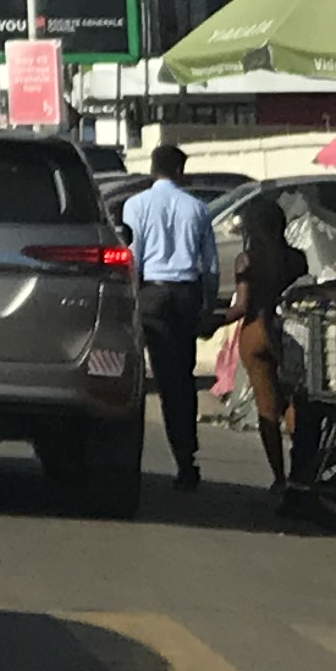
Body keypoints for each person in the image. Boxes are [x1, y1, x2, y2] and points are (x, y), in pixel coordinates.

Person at [119, 142, 218, 490]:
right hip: (186, 294)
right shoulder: (198, 208)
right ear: (179, 171)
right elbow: (210, 265)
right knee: (182, 379)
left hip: (151, 294)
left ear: (153, 169)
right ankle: (186, 457)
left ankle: (146, 457)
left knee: (152, 379)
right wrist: (207, 305)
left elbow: (133, 257)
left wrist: (130, 299)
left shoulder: (135, 205)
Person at [221, 185, 305, 487]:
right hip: (290, 332)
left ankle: (278, 477)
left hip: (256, 331)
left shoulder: (246, 260)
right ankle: (299, 471)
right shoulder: (297, 259)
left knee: (266, 409)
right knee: (294, 401)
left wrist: (210, 321)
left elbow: (241, 307)